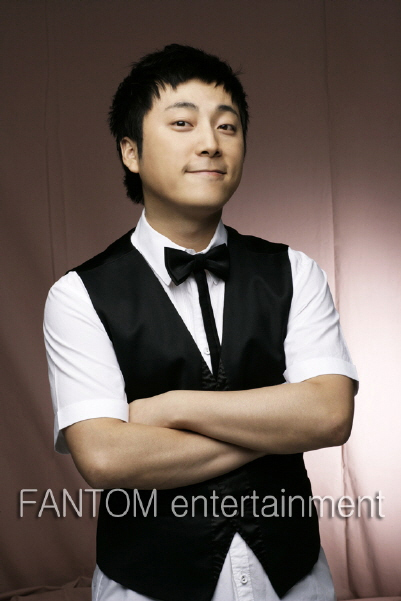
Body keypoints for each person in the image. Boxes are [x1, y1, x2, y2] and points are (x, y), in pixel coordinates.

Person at [44, 44, 358, 601]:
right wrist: (280, 429)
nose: (211, 142)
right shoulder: (77, 295)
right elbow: (107, 457)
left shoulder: (294, 271)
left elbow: (331, 416)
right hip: (145, 585)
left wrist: (171, 408)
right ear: (131, 151)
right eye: (183, 123)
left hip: (294, 577)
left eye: (227, 126)